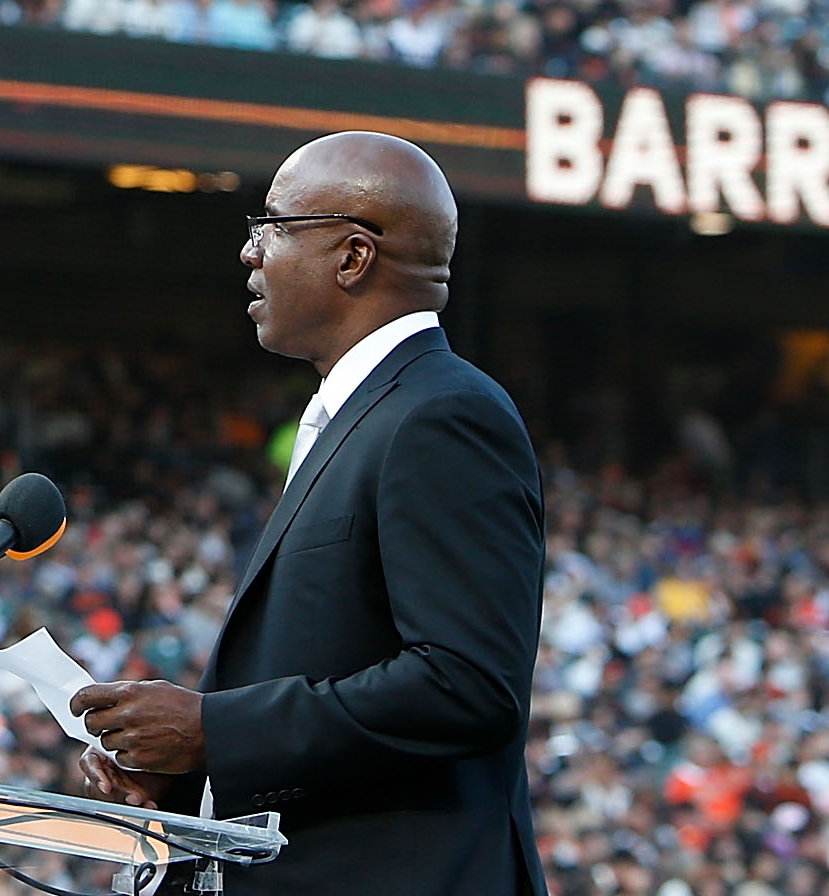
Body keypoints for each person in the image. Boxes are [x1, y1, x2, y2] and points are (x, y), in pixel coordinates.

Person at [73, 131, 545, 896]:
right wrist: (193, 774)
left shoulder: (443, 415)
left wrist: (213, 730)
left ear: (353, 257)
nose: (250, 253)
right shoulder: (362, 413)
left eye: (273, 226)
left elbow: (467, 685)